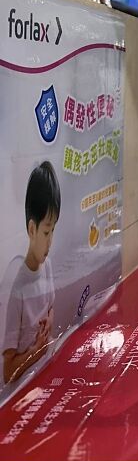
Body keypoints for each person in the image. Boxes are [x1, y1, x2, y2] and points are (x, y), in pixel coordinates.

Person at [2, 162, 60, 385]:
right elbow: (8, 373)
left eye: (53, 229)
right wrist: (35, 351)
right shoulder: (17, 290)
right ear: (31, 229)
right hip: (22, 389)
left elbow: (51, 306)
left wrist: (48, 321)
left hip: (45, 371)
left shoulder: (47, 266)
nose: (50, 241)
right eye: (46, 231)